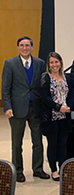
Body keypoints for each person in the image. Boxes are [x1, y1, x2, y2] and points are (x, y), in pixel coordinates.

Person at [1, 36, 50, 182]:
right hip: (16, 109)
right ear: (18, 47)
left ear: (31, 47)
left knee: (38, 141)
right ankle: (18, 170)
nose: (24, 48)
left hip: (36, 108)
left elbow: (43, 86)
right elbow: (5, 88)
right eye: (21, 45)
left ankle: (38, 169)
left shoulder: (40, 63)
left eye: (27, 45)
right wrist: (7, 106)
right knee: (17, 142)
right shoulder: (10, 63)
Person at [37, 52, 71, 181]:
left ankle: (62, 167)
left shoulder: (66, 77)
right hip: (51, 117)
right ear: (48, 65)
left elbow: (70, 94)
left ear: (60, 62)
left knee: (63, 144)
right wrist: (58, 107)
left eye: (56, 62)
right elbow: (44, 97)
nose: (54, 65)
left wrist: (68, 107)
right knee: (53, 144)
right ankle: (54, 170)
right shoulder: (45, 77)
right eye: (51, 62)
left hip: (64, 117)